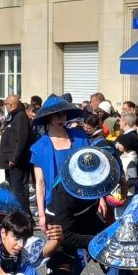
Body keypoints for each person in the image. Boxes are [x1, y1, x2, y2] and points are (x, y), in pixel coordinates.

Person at [43, 146, 121, 275]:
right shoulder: (65, 192)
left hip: (87, 216)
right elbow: (66, 235)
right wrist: (95, 241)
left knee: (114, 251)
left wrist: (106, 238)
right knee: (64, 270)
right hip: (61, 224)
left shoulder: (103, 177)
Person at [30, 94, 90, 230]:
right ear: (47, 117)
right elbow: (40, 183)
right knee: (60, 248)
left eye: (64, 114)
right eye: (57, 115)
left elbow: (92, 170)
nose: (61, 118)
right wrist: (41, 215)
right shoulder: (39, 147)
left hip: (84, 204)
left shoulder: (80, 137)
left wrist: (101, 199)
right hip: (55, 208)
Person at [0, 94, 33, 211]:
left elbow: (20, 139)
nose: (5, 107)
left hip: (16, 163)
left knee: (18, 190)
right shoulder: (13, 116)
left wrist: (14, 158)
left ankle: (24, 216)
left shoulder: (20, 117)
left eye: (6, 104)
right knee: (14, 189)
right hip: (10, 161)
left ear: (12, 104)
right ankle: (19, 214)